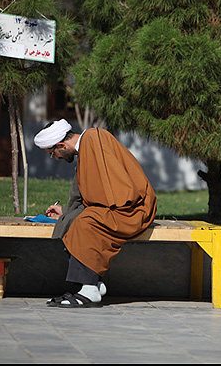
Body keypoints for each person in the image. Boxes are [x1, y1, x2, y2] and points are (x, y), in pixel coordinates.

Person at [34, 119, 157, 308]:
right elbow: (97, 194)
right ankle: (91, 284)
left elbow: (115, 191)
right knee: (76, 220)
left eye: (53, 154)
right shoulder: (86, 148)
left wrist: (81, 213)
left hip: (133, 208)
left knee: (85, 222)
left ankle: (89, 289)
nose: (56, 158)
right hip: (118, 206)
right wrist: (66, 212)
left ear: (61, 145)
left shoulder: (93, 137)